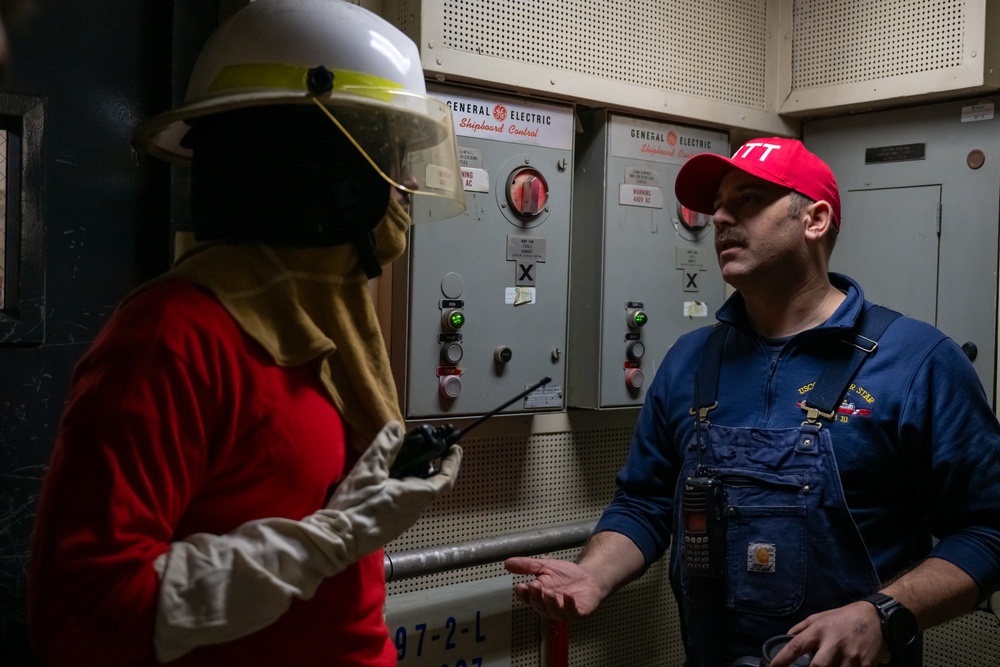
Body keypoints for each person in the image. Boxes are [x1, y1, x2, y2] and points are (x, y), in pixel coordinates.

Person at [28, 1, 467, 665]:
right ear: (320, 162)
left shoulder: (331, 322)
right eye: (389, 153)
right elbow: (84, 612)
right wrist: (325, 539)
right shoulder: (173, 335)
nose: (404, 187)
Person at [506, 137, 1000, 667]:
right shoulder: (691, 360)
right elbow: (645, 503)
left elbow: (988, 531)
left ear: (814, 219)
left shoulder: (919, 361)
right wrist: (594, 573)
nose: (718, 218)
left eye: (746, 200)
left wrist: (883, 613)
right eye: (716, 204)